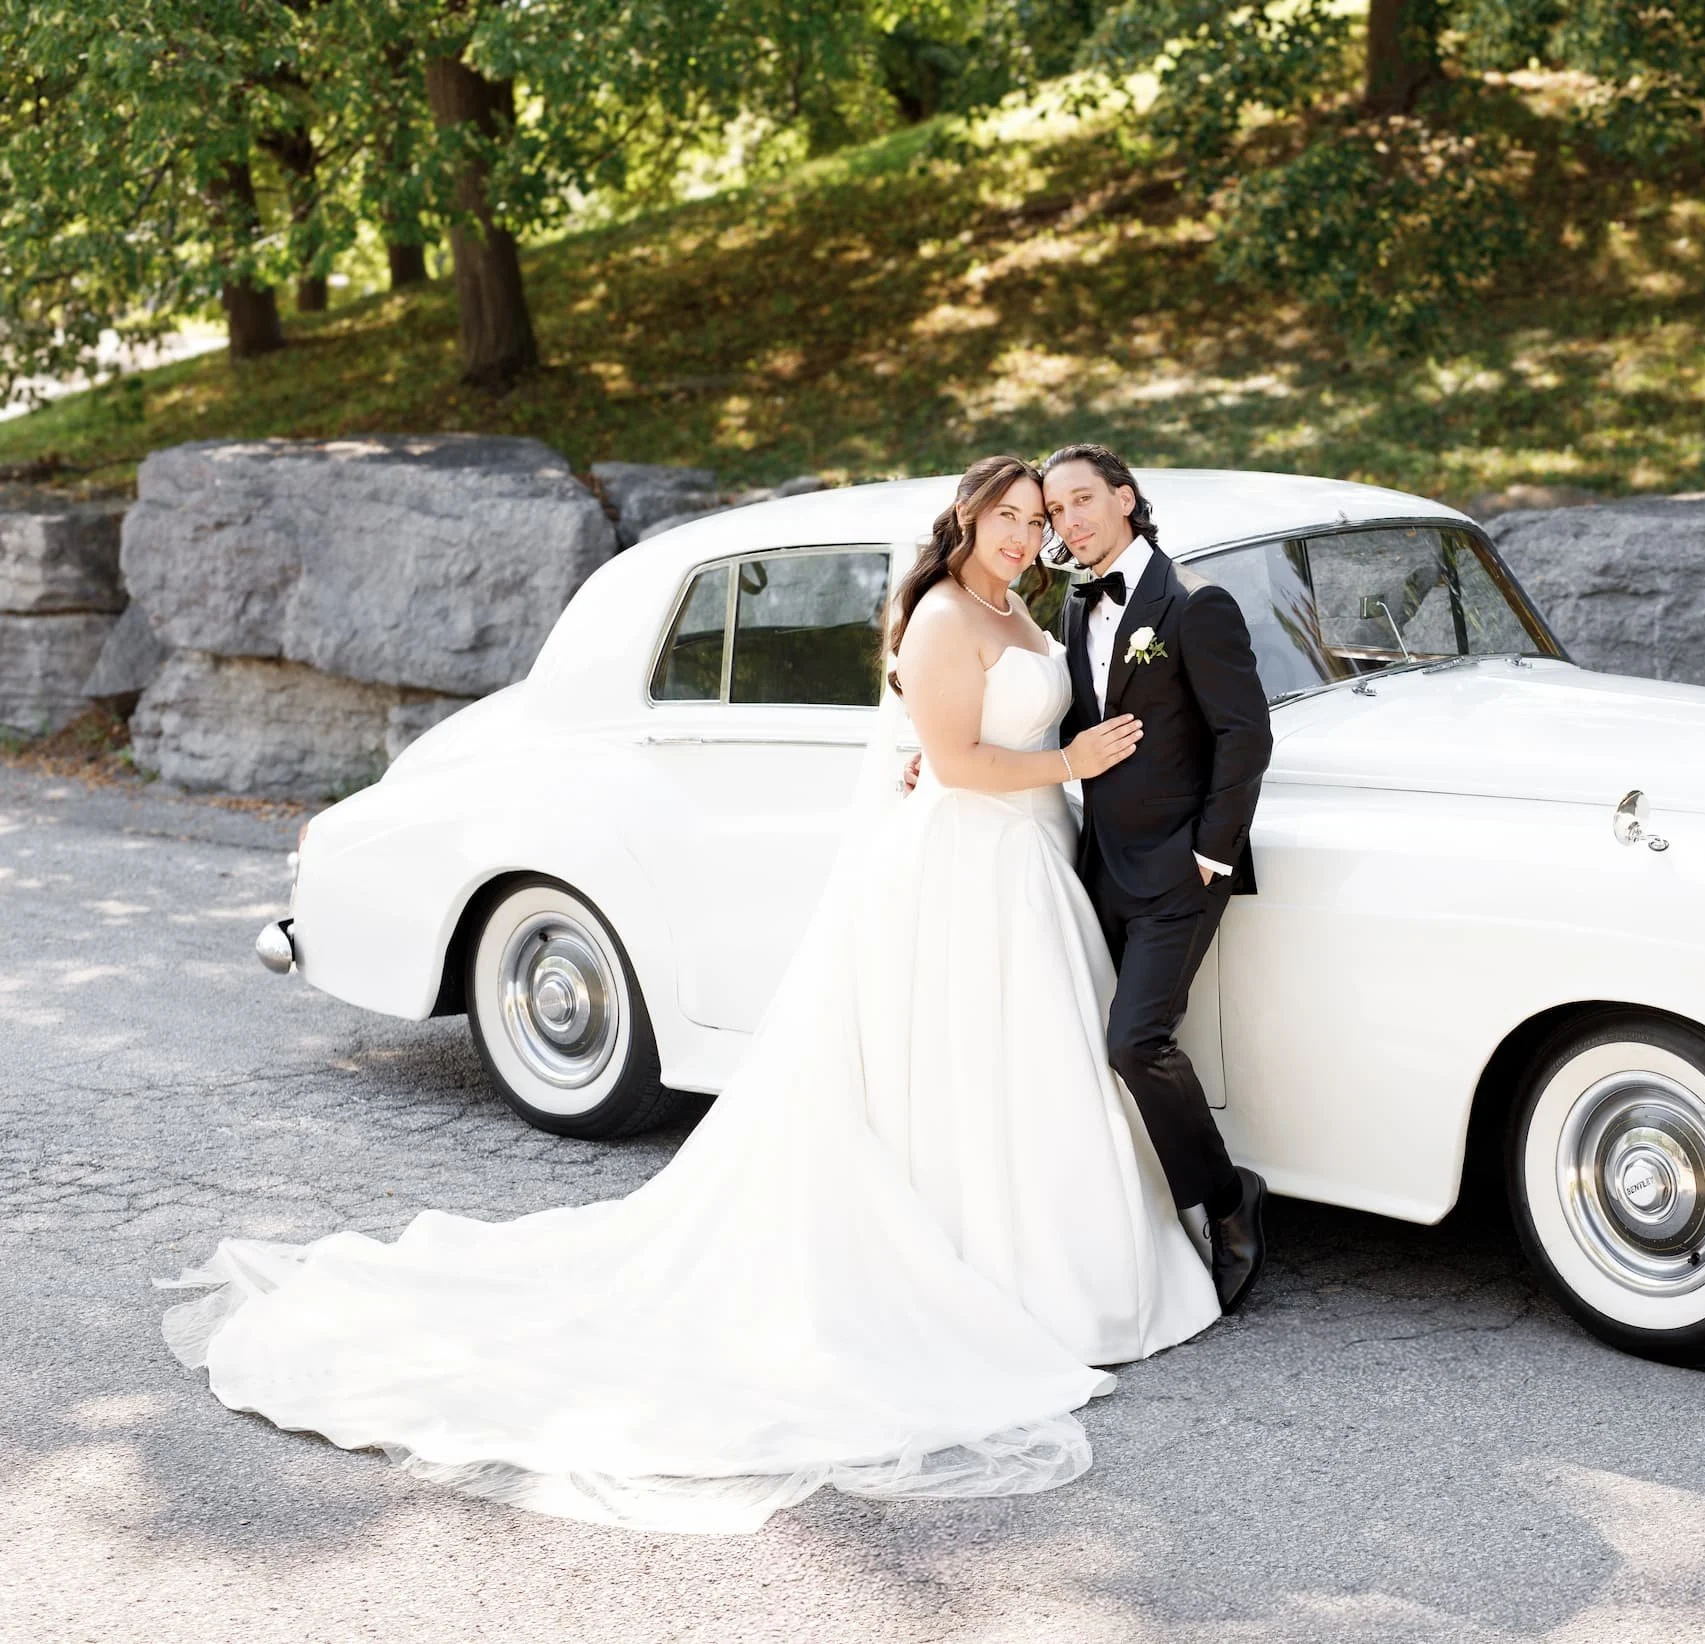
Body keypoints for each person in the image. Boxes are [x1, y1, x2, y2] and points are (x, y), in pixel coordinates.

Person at [160, 456, 1220, 1534]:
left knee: (1016, 1069)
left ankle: (1053, 1261)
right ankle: (1003, 1278)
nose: (1023, 532)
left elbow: (963, 741)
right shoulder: (948, 616)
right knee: (966, 1062)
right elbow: (953, 763)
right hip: (970, 865)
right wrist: (1072, 761)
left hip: (1025, 865)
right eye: (1007, 514)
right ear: (967, 519)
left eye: (1035, 518)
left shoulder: (1027, 610)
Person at [1042, 444, 1275, 1314]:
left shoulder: (1193, 605)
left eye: (1082, 500)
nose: (1070, 521)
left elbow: (1244, 736)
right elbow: (1059, 724)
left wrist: (1211, 852)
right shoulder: (1075, 610)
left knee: (1135, 1042)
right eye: (1057, 511)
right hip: (1099, 864)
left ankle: (1227, 1200)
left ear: (1127, 499)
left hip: (1181, 870)